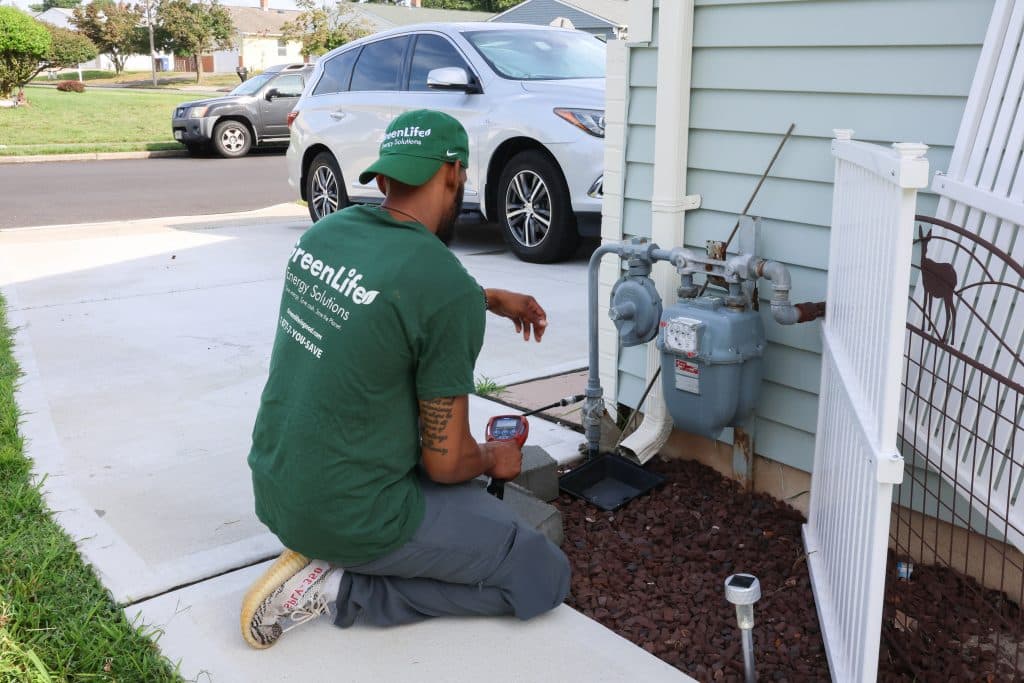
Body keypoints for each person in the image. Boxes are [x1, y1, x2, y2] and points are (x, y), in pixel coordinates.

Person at [241, 109, 571, 649]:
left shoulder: (326, 233)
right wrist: (494, 457)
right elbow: (446, 464)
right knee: (541, 574)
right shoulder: (442, 286)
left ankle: (333, 551)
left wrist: (485, 298)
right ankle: (345, 588)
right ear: (454, 173)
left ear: (384, 178)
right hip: (354, 515)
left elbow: (387, 298)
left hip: (278, 485)